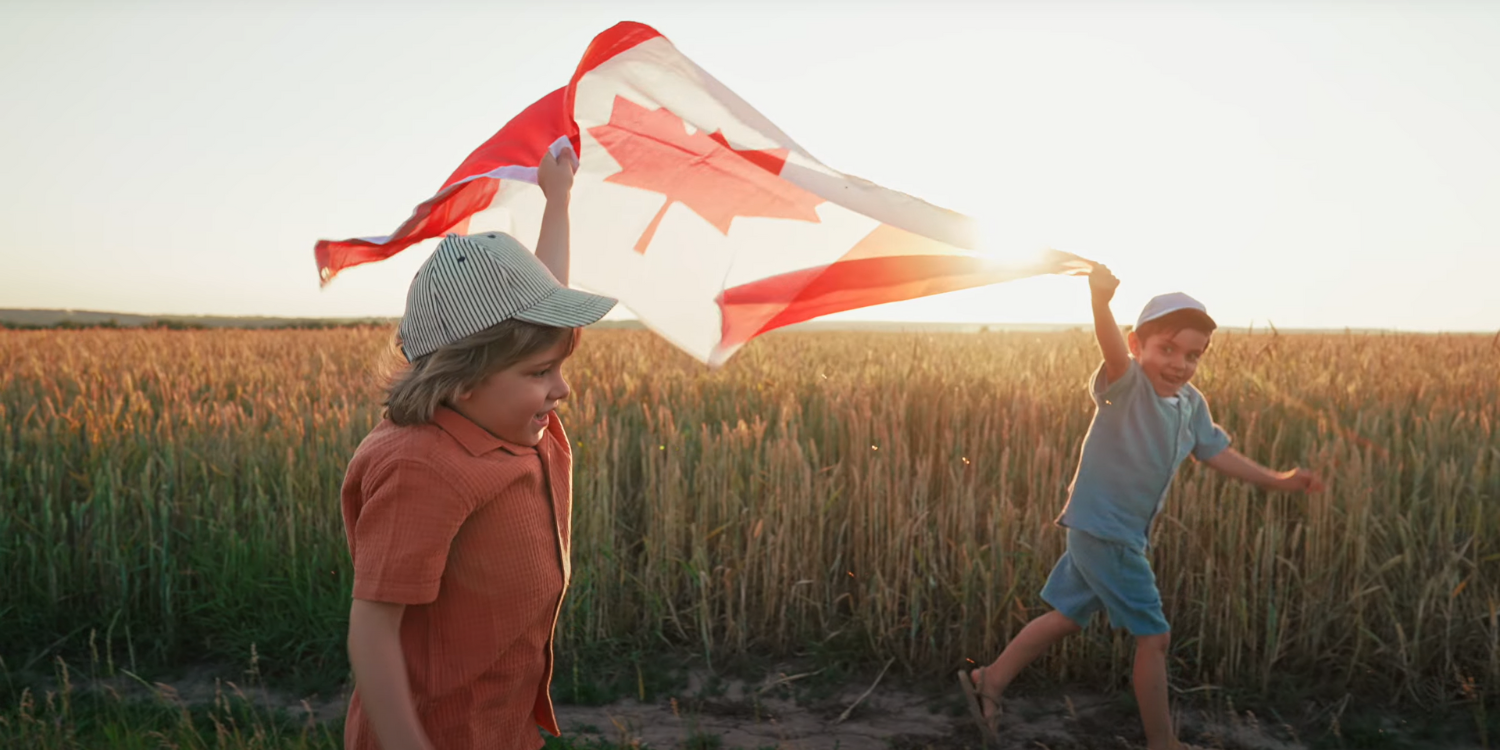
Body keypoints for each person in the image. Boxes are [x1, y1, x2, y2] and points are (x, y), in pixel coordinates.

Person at [960, 264, 1324, 750]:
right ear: (1138, 346)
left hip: (1114, 532)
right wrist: (1101, 301)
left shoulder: (1191, 404)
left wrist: (1279, 480)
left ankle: (990, 679)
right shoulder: (1126, 386)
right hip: (1104, 532)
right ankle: (1163, 742)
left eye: (1192, 355)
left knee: (1067, 616)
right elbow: (1109, 349)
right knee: (1153, 637)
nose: (1179, 363)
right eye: (1167, 349)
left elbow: (1216, 452)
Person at [340, 151, 616, 750]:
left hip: (505, 726)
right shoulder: (422, 465)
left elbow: (545, 293)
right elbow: (372, 630)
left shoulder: (493, 415)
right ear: (464, 378)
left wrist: (557, 198)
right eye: (542, 373)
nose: (561, 389)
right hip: (441, 735)